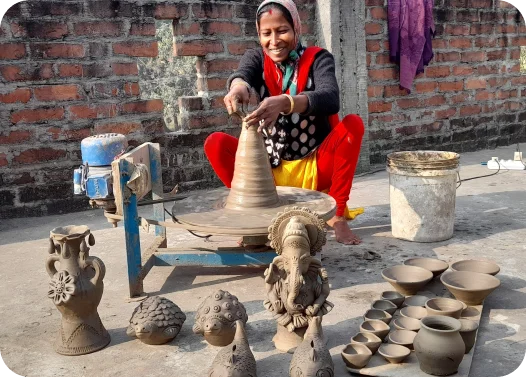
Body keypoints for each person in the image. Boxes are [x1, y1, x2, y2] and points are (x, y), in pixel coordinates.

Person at [204, 0, 364, 245]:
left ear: (296, 28)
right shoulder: (256, 58)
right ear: (259, 35)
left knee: (353, 126)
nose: (274, 40)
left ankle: (337, 215)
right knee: (215, 143)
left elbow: (330, 98)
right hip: (268, 173)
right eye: (266, 33)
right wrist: (237, 88)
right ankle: (251, 205)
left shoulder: (318, 59)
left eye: (282, 30)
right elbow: (242, 75)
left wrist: (285, 102)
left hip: (314, 167)